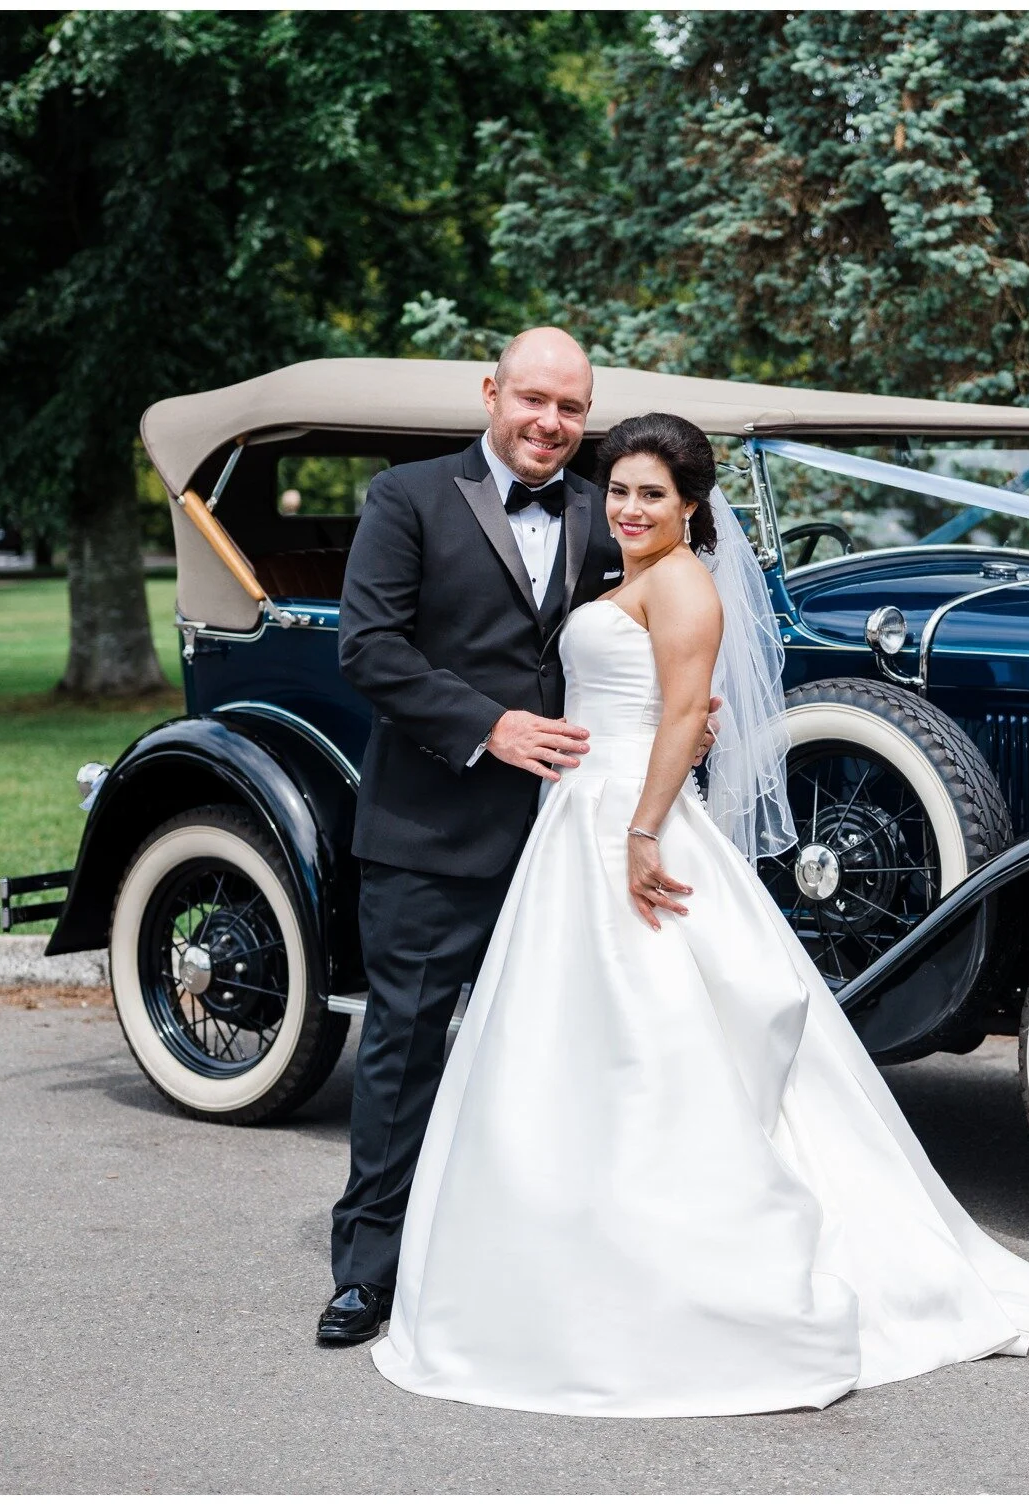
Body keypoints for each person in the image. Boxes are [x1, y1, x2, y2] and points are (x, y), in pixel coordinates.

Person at [368, 412, 1029, 1417]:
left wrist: (642, 829)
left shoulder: (680, 581)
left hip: (627, 818)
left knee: (653, 1038)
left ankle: (675, 1265)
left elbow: (683, 711)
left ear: (690, 507)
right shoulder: (628, 569)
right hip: (577, 813)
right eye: (619, 490)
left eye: (652, 494)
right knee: (569, 1039)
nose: (629, 508)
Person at [322, 329, 666, 1343]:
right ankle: (366, 1271)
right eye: (533, 399)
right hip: (429, 830)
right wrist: (489, 726)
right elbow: (368, 648)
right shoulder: (407, 498)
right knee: (404, 1047)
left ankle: (538, 1263)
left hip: (570, 836)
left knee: (564, 1050)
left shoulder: (604, 509)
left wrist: (687, 709)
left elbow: (648, 630)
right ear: (490, 393)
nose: (550, 423)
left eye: (571, 408)